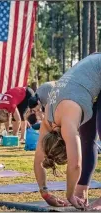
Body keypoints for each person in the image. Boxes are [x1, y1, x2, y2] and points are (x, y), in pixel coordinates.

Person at [33, 53, 101, 211]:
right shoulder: (47, 122)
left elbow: (75, 164)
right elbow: (38, 161)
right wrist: (46, 194)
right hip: (90, 76)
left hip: (96, 67)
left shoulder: (67, 125)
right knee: (87, 138)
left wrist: (69, 195)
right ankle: (81, 190)